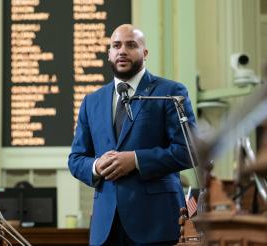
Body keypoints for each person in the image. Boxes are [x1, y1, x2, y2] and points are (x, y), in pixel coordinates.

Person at [68, 24, 196, 245]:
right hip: (106, 228)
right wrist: (96, 166)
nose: (122, 51)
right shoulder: (92, 101)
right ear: (109, 54)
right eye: (116, 45)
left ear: (145, 53)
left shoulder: (171, 92)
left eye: (131, 45)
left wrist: (136, 160)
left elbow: (189, 151)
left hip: (156, 223)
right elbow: (76, 159)